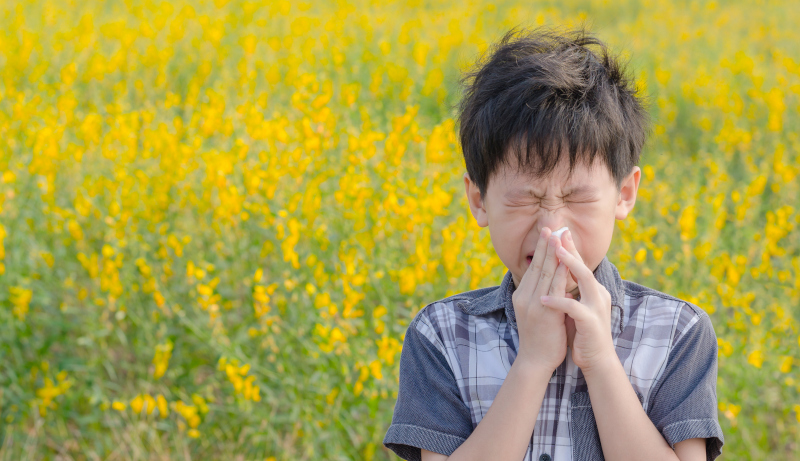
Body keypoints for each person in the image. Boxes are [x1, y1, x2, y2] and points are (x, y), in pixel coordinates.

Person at [382, 27, 724, 461]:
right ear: (478, 200)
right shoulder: (443, 335)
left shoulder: (677, 333)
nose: (552, 230)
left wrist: (600, 360)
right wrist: (532, 363)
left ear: (624, 194)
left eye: (577, 197)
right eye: (525, 198)